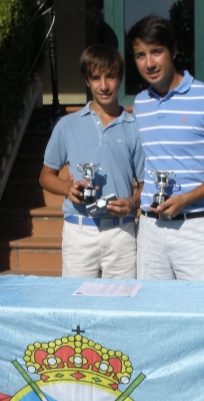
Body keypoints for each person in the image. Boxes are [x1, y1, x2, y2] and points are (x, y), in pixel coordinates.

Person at [127, 15, 204, 281]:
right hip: (150, 229)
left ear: (174, 50)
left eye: (156, 52)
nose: (149, 63)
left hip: (196, 228)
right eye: (140, 55)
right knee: (155, 315)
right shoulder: (140, 104)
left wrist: (186, 199)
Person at [39, 44, 144, 279]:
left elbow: (146, 184)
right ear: (87, 81)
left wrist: (133, 203)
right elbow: (45, 176)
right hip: (79, 231)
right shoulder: (67, 125)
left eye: (110, 77)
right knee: (76, 306)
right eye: (96, 78)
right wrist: (68, 188)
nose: (104, 86)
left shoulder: (134, 127)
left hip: (122, 233)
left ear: (121, 78)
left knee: (120, 306)